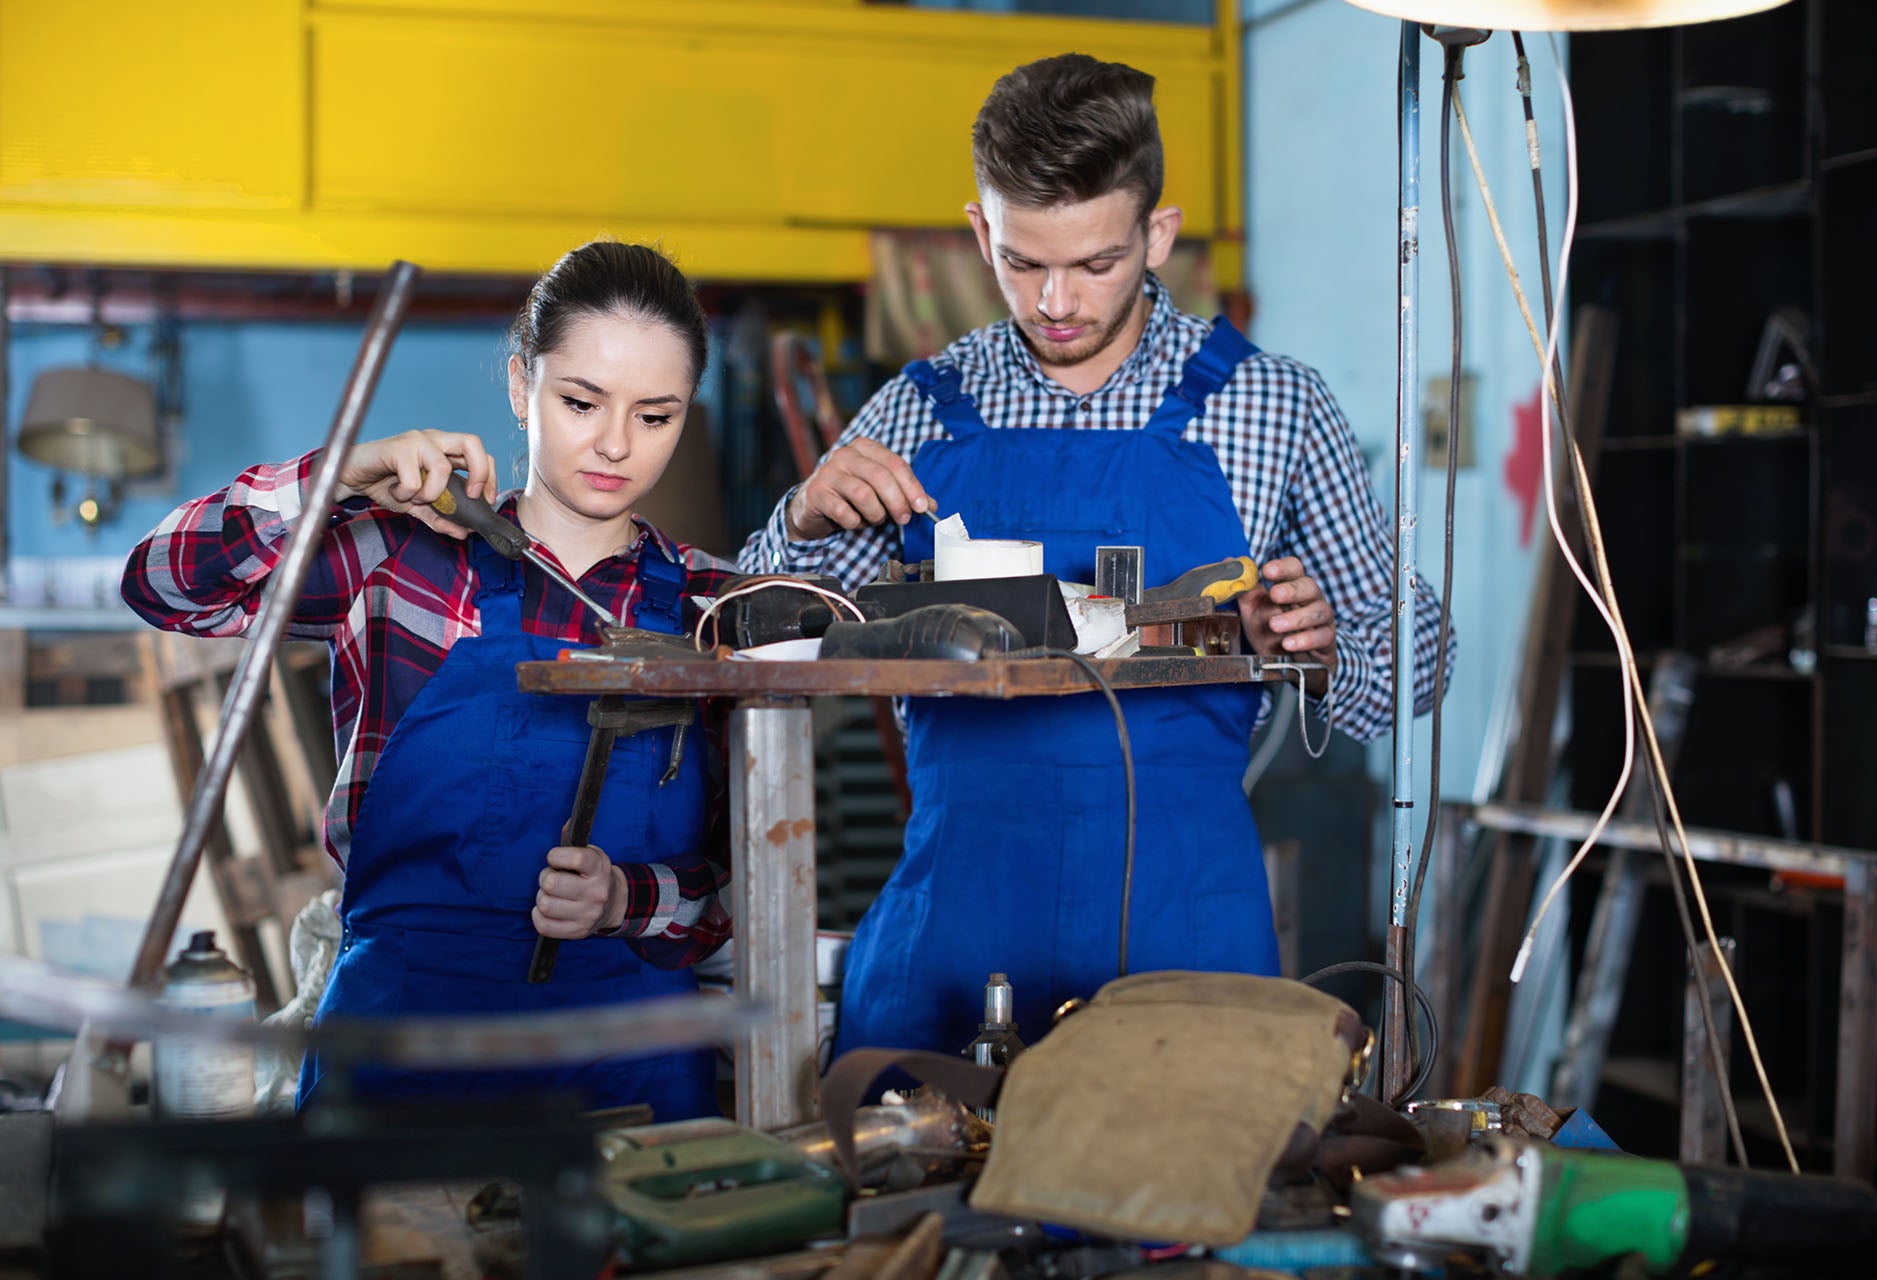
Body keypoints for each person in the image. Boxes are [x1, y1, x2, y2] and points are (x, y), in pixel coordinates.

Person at [739, 54, 1454, 1058]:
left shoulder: (1272, 405)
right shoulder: (918, 410)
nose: (1057, 300)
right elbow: (746, 643)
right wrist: (803, 517)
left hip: (1183, 940)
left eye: (1096, 263)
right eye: (1023, 262)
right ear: (980, 231)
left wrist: (1326, 652)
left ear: (1157, 234)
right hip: (952, 945)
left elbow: (1425, 664)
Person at [124, 241, 732, 1117]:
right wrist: (338, 476)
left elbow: (744, 882)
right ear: (521, 385)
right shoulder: (400, 555)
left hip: (631, 1062)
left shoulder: (715, 608)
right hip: (403, 1038)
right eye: (580, 401)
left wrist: (626, 899)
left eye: (656, 415)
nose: (614, 443)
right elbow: (161, 585)